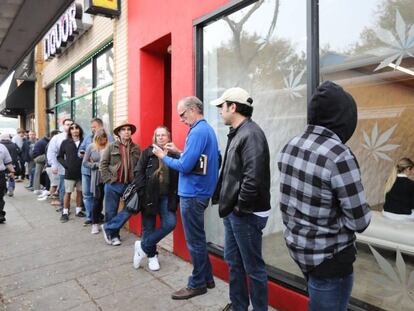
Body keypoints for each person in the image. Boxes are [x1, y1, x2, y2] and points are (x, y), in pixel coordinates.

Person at [277, 81, 372, 311]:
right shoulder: (339, 156)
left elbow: (291, 203)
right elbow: (360, 221)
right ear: (344, 119)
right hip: (330, 258)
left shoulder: (290, 146)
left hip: (300, 251)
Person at [152, 96, 219, 300]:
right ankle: (207, 278)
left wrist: (164, 156)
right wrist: (179, 151)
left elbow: (185, 166)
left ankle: (197, 284)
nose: (180, 119)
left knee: (195, 242)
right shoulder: (205, 129)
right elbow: (198, 161)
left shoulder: (198, 131)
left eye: (182, 114)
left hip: (193, 194)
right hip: (198, 192)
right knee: (198, 238)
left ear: (192, 110)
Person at [210, 87, 271, 311]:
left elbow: (252, 180)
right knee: (235, 263)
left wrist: (238, 208)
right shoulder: (239, 132)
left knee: (253, 268)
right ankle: (238, 306)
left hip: (245, 215)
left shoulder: (251, 134)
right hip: (236, 213)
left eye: (222, 106)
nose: (219, 110)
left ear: (233, 107)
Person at [132, 126, 179, 271]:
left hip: (167, 196)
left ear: (168, 137)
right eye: (158, 135)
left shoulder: (174, 154)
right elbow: (138, 172)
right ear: (154, 137)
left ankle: (142, 246)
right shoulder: (148, 152)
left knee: (170, 223)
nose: (160, 137)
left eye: (163, 135)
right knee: (148, 228)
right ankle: (152, 256)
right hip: (149, 196)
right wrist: (142, 192)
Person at [100, 121, 141, 246]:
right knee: (111, 211)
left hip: (128, 185)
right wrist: (108, 179)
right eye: (123, 129)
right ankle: (114, 236)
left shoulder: (136, 148)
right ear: (119, 132)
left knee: (132, 208)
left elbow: (139, 166)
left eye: (128, 129)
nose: (126, 131)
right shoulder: (111, 147)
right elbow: (103, 164)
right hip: (113, 184)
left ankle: (108, 227)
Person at [79, 118, 113, 226]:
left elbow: (113, 160)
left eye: (94, 127)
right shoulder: (89, 142)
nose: (92, 129)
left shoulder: (110, 142)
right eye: (91, 127)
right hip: (95, 176)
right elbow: (83, 158)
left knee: (105, 199)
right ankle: (92, 219)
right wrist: (96, 164)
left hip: (107, 177)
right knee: (94, 198)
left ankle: (100, 219)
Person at [82, 129, 109, 234]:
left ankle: (105, 222)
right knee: (96, 201)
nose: (102, 141)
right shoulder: (91, 147)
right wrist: (96, 165)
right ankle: (94, 224)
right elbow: (85, 162)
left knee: (107, 201)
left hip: (108, 177)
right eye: (100, 139)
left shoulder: (109, 147)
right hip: (97, 178)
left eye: (104, 138)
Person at [57, 123, 85, 223]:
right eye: (72, 129)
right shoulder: (65, 142)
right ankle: (65, 212)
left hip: (82, 172)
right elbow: (59, 156)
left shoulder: (84, 141)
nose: (75, 130)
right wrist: (66, 165)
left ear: (79, 130)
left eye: (77, 128)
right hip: (69, 172)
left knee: (80, 192)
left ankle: (78, 210)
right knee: (67, 193)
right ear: (70, 131)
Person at [47, 119, 73, 213]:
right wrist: (53, 165)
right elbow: (51, 152)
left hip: (75, 168)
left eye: (71, 124)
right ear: (63, 126)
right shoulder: (57, 138)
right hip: (62, 168)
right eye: (67, 124)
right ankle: (64, 207)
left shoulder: (76, 137)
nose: (69, 126)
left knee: (78, 189)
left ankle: (79, 208)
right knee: (63, 188)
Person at [0, 142, 15, 223]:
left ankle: (0, 215)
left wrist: (12, 171)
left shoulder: (2, 147)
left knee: (0, 195)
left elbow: (8, 162)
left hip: (0, 174)